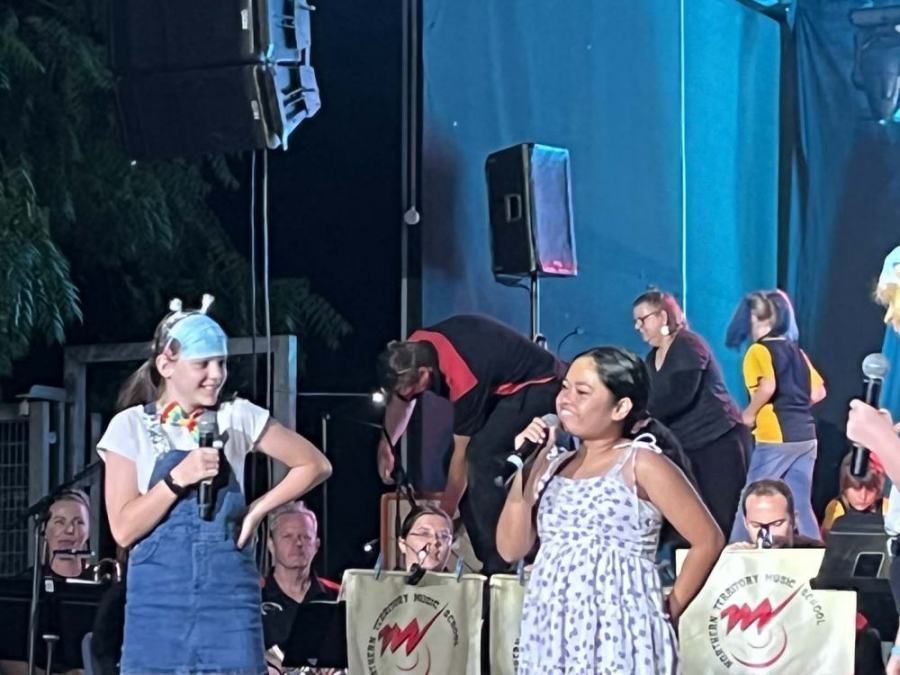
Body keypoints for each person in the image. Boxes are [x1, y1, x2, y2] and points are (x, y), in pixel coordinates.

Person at [97, 296, 331, 675]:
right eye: (202, 364)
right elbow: (124, 529)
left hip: (230, 603)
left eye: (221, 362)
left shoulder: (237, 416)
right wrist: (177, 479)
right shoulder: (130, 427)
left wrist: (257, 511)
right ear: (166, 365)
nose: (216, 374)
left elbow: (315, 464)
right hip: (157, 607)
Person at [496, 346, 724, 673]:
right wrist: (527, 468)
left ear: (620, 407)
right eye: (565, 388)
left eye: (583, 391)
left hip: (622, 634)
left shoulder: (641, 462)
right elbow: (510, 548)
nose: (566, 399)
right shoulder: (552, 465)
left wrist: (669, 608)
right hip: (553, 632)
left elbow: (708, 540)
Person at [376, 314, 564, 573]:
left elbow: (462, 458)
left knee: (480, 458)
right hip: (498, 382)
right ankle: (484, 549)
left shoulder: (464, 377)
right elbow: (401, 398)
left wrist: (441, 521)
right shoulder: (413, 348)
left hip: (540, 384)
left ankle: (501, 559)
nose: (408, 396)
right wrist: (387, 443)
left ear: (423, 373)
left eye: (410, 389)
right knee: (450, 461)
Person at [725, 480, 884, 674]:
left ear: (793, 519)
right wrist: (726, 566)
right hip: (760, 650)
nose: (767, 535)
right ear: (745, 523)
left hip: (816, 647)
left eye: (777, 524)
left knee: (867, 638)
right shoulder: (733, 561)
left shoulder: (817, 555)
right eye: (756, 525)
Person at [632, 289, 750, 536]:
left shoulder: (688, 344)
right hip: (689, 447)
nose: (637, 326)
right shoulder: (652, 357)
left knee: (720, 514)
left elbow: (680, 394)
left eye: (642, 319)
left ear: (663, 317)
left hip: (718, 442)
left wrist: (642, 416)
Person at [725, 290, 827, 541]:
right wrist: (794, 404)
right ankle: (815, 562)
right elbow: (818, 391)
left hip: (776, 437)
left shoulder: (758, 352)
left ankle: (734, 559)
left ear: (751, 318)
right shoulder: (796, 352)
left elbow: (767, 385)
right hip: (805, 435)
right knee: (800, 502)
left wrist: (748, 414)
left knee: (751, 499)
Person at [261, 502, 340, 675]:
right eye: (288, 536)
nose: (298, 543)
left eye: (305, 537)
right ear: (271, 545)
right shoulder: (253, 596)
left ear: (317, 545)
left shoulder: (340, 595)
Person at [821, 453, 889, 535]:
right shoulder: (836, 507)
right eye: (857, 489)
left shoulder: (888, 507)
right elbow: (827, 538)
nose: (863, 496)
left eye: (870, 490)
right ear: (844, 486)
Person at [397, 505, 454, 572]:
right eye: (424, 534)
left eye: (444, 536)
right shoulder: (384, 581)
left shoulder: (464, 582)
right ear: (402, 544)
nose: (434, 541)